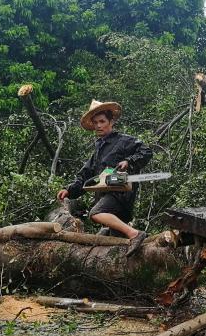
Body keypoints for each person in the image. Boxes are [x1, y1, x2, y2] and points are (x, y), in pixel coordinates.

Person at [57, 99, 152, 257]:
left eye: (102, 121)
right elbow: (86, 173)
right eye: (95, 122)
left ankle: (135, 234)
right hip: (105, 197)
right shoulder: (99, 148)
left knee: (95, 213)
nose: (98, 126)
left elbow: (146, 151)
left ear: (111, 121)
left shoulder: (124, 141)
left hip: (120, 194)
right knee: (118, 248)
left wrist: (129, 161)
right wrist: (69, 190)